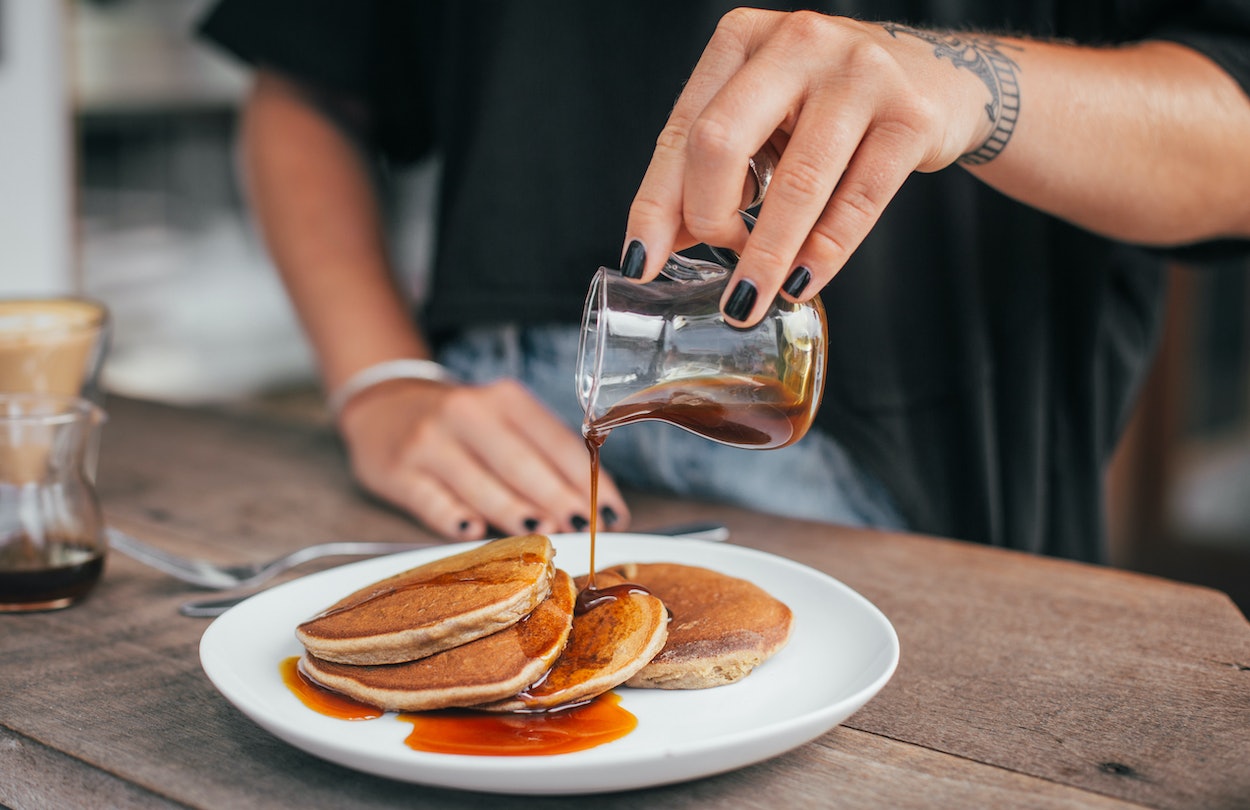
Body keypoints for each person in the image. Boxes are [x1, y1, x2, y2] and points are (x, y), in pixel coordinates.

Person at [199, 1, 1250, 562]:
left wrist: (970, 90)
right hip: (481, 458)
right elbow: (304, 83)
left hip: (914, 501)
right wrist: (380, 378)